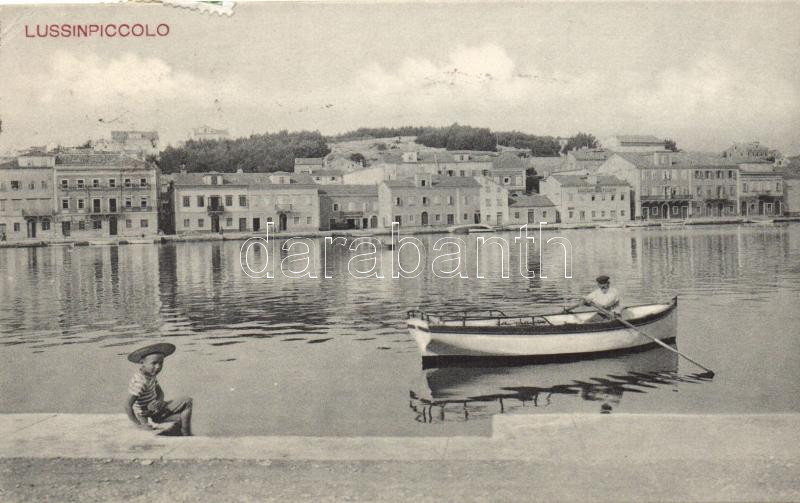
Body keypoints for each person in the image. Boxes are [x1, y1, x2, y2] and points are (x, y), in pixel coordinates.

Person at [125, 342, 193, 436]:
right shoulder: (140, 382)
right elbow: (127, 406)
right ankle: (186, 434)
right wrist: (139, 425)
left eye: (161, 363)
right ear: (142, 363)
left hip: (155, 410)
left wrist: (159, 401)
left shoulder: (150, 375)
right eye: (154, 363)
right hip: (144, 415)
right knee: (149, 431)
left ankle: (186, 433)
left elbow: (160, 392)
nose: (158, 367)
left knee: (187, 401)